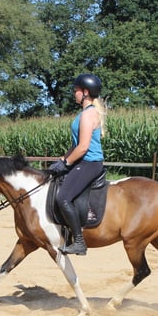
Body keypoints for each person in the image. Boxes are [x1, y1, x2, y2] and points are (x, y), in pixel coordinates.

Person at [48, 73, 107, 255]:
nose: (74, 94)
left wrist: (66, 162)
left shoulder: (88, 115)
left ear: (86, 92)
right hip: (82, 161)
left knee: (63, 198)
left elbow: (83, 148)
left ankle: (79, 241)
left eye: (76, 91)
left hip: (89, 163)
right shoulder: (84, 113)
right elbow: (75, 146)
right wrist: (61, 161)